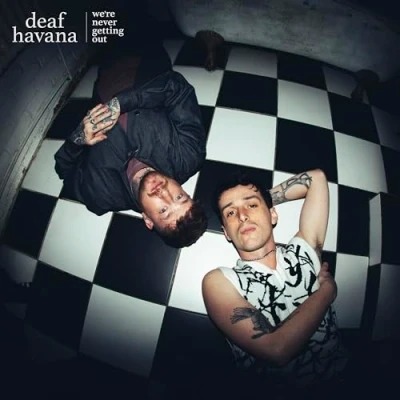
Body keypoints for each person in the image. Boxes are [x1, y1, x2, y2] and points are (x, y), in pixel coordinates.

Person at [202, 169, 348, 397]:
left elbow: (317, 179)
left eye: (251, 206)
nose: (242, 216)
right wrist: (327, 292)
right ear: (226, 233)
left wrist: (262, 198)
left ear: (273, 216)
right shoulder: (219, 281)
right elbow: (276, 350)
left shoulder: (303, 251)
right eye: (230, 212)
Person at [54, 33, 208, 248]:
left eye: (164, 210)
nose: (164, 193)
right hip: (146, 51)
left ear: (147, 220)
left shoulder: (101, 197)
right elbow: (176, 88)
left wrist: (78, 138)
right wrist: (120, 104)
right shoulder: (190, 155)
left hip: (105, 63)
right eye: (179, 198)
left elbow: (64, 169)